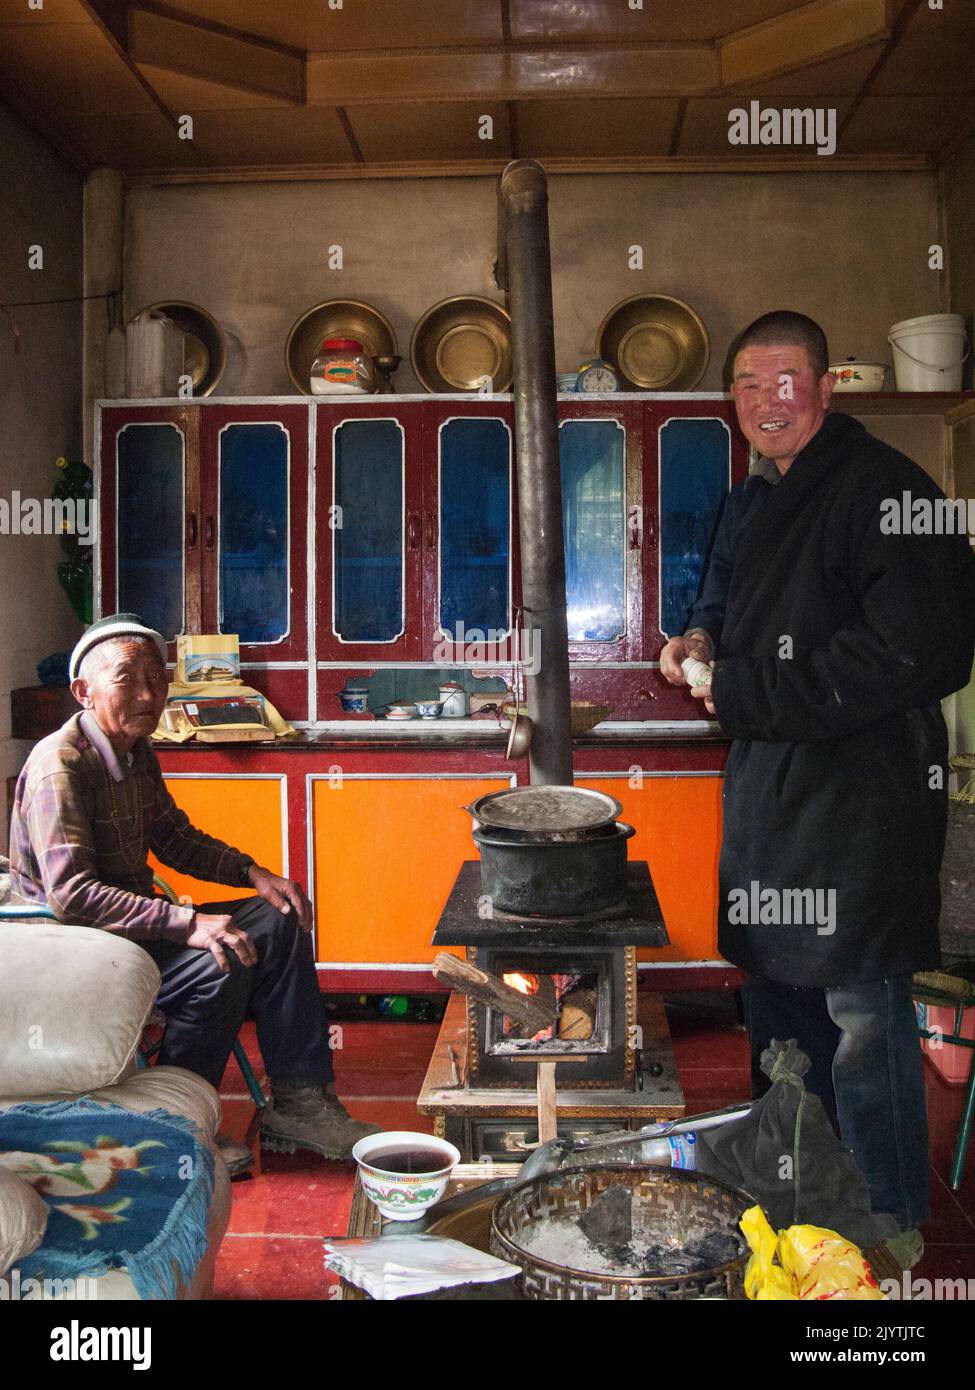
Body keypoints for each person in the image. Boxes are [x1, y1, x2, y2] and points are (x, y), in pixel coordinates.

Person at [660, 311, 975, 1268]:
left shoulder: (884, 490)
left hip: (861, 797)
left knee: (863, 1020)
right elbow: (716, 602)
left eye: (787, 378)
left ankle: (885, 1224)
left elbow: (924, 650)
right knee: (779, 1001)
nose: (769, 399)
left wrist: (749, 686)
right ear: (732, 400)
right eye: (750, 383)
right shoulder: (753, 498)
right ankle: (796, 1189)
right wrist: (700, 643)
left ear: (828, 386)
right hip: (771, 790)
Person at [7, 613, 382, 1174]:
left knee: (275, 918)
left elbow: (175, 839)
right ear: (83, 692)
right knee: (218, 960)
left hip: (133, 930)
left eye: (157, 679)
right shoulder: (58, 767)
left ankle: (301, 1104)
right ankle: (175, 1128)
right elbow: (72, 895)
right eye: (127, 679)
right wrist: (187, 924)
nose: (148, 694)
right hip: (73, 947)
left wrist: (255, 874)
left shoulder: (135, 753)